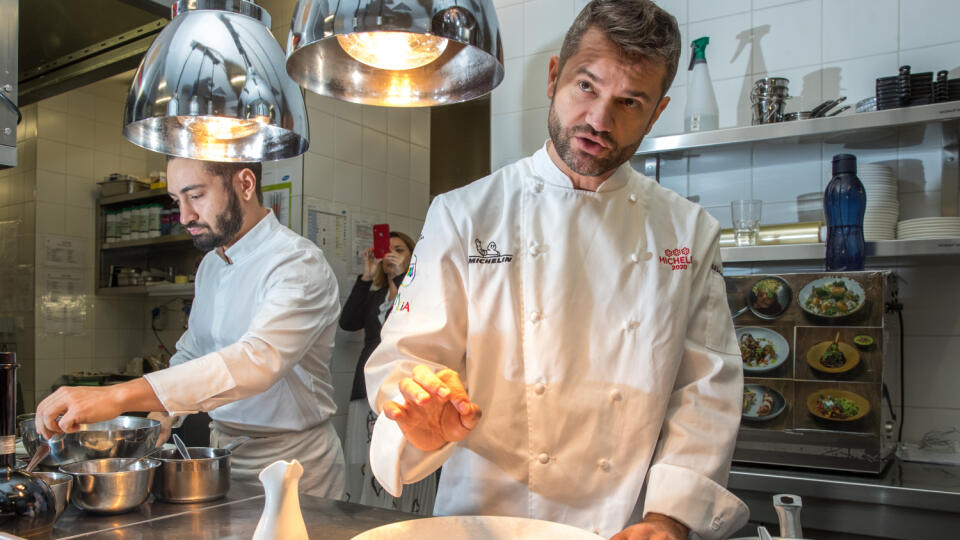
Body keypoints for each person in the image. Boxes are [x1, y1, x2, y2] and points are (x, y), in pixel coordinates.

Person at [363, 1, 748, 539]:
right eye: (586, 87)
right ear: (552, 77)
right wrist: (420, 409)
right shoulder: (464, 213)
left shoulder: (688, 232)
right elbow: (408, 356)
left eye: (629, 102)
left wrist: (671, 516)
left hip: (619, 524)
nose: (598, 120)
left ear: (656, 113)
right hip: (484, 520)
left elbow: (706, 388)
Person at [35, 157, 345, 498]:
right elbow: (195, 350)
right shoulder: (212, 264)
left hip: (295, 464)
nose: (185, 217)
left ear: (245, 184)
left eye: (195, 196)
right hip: (222, 455)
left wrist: (117, 395)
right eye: (176, 201)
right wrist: (159, 418)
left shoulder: (297, 263)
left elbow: (256, 361)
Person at [338, 232, 437, 513]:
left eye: (400, 250)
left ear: (412, 256)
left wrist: (404, 275)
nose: (391, 255)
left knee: (399, 455)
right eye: (388, 250)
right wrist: (367, 276)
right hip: (366, 386)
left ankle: (407, 515)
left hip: (403, 386)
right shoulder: (376, 296)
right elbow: (347, 323)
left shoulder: (420, 291)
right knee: (364, 457)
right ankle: (367, 515)